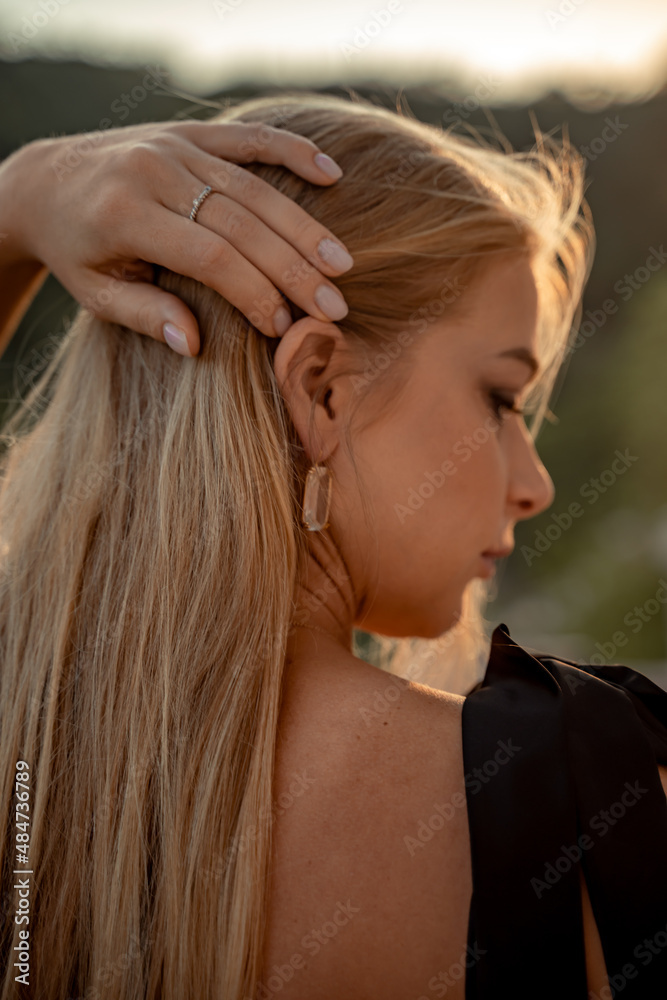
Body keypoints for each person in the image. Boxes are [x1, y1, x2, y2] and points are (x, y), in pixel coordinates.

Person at [0, 89, 665, 1000]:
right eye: (500, 400)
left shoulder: (19, 754)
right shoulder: (587, 798)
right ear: (319, 389)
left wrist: (20, 199)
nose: (534, 483)